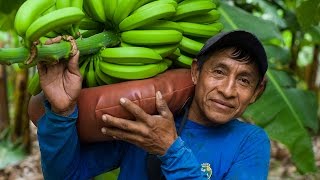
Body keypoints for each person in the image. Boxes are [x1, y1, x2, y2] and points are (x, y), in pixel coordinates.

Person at [33, 30, 270, 180]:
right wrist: (62, 113)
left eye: (244, 80)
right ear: (196, 72)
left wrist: (170, 149)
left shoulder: (250, 142)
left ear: (256, 92)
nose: (228, 90)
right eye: (219, 72)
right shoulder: (146, 121)